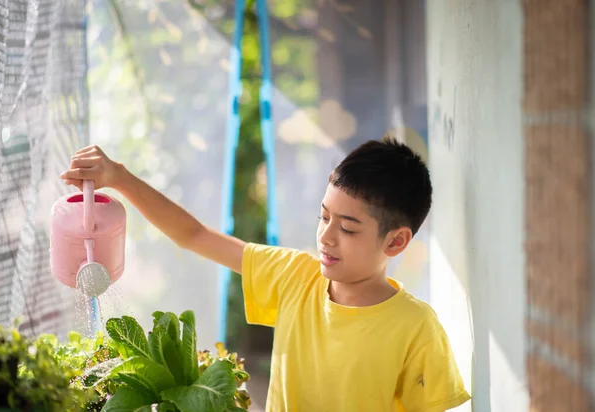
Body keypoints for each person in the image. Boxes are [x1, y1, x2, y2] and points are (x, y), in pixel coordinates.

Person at [61, 136, 470, 412]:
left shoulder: (417, 328)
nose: (326, 237)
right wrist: (119, 177)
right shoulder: (296, 276)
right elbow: (194, 235)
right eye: (323, 217)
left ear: (396, 242)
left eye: (347, 228)